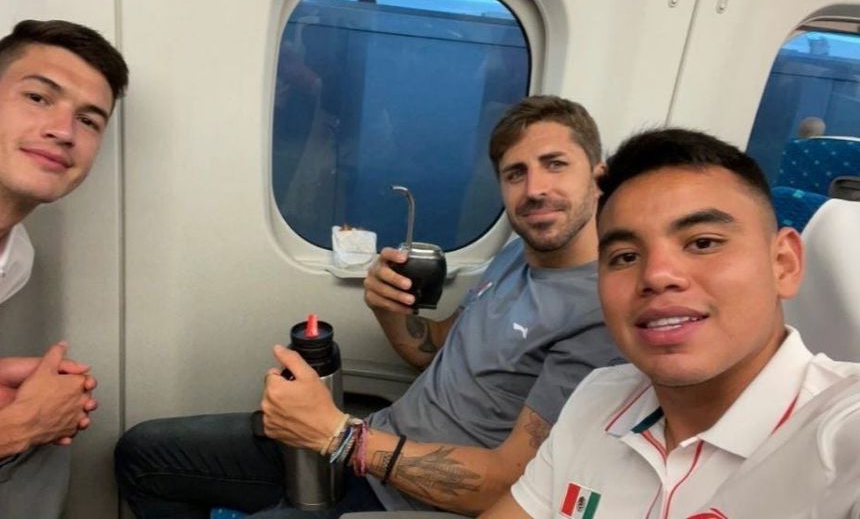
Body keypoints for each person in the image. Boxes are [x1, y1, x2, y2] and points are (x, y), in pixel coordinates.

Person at [114, 95, 623, 518]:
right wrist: (388, 309)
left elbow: (505, 487)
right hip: (370, 446)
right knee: (142, 455)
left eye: (556, 165)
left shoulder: (598, 317)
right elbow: (432, 351)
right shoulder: (516, 254)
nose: (535, 189)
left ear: (599, 178)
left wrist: (341, 436)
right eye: (515, 174)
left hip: (406, 497)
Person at [483, 128, 860, 519]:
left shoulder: (840, 436)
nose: (656, 275)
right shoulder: (598, 397)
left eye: (703, 243)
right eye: (626, 257)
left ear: (784, 264)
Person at [0, 19, 128, 517]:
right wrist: (20, 425)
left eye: (89, 120)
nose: (63, 131)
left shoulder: (16, 258)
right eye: (38, 97)